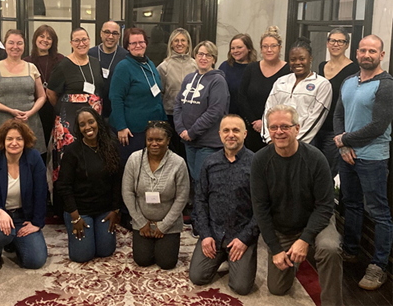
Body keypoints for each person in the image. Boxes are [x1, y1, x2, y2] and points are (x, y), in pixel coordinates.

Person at [251, 104, 342, 306]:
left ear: (297, 129)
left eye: (285, 126)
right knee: (277, 288)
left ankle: (333, 303)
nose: (279, 132)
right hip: (283, 226)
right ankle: (292, 257)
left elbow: (325, 205)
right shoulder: (260, 161)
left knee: (330, 248)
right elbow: (260, 208)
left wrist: (305, 239)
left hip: (316, 220)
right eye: (273, 127)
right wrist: (275, 249)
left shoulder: (316, 158)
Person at [334, 34, 393, 290]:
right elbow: (338, 113)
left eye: (373, 51)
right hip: (347, 155)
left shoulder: (387, 85)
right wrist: (344, 144)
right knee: (352, 204)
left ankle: (379, 265)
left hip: (373, 158)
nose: (367, 55)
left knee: (379, 212)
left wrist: (345, 138)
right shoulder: (348, 81)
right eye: (363, 50)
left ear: (381, 55)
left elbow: (378, 126)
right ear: (357, 53)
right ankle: (350, 250)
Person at [189, 115, 259, 295]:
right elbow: (200, 200)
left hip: (241, 235)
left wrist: (245, 239)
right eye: (226, 130)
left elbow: (263, 208)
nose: (231, 135)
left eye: (236, 130)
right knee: (198, 277)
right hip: (214, 234)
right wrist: (205, 235)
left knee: (241, 287)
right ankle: (223, 256)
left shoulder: (256, 164)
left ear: (245, 134)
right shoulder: (209, 162)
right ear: (220, 134)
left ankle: (238, 258)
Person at [0, 119, 48, 271]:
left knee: (35, 261)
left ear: (25, 140)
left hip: (21, 216)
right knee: (1, 234)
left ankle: (12, 240)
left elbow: (41, 192)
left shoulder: (34, 158)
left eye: (19, 139)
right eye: (9, 139)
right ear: (3, 141)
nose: (14, 143)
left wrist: (36, 223)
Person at [47, 27, 104, 215]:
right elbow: (51, 93)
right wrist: (65, 116)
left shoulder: (95, 63)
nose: (81, 43)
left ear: (89, 40)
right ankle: (66, 208)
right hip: (69, 125)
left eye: (84, 39)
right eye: (76, 40)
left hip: (93, 122)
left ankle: (87, 203)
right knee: (68, 164)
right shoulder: (63, 65)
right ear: (71, 43)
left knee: (90, 161)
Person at [57, 107, 121, 263]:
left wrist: (115, 210)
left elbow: (117, 181)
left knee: (106, 251)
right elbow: (63, 186)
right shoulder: (72, 151)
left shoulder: (110, 146)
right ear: (78, 129)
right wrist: (74, 217)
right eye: (82, 124)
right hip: (80, 210)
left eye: (91, 122)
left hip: (104, 210)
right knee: (82, 256)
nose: (88, 127)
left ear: (98, 122)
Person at [122, 121, 189, 269]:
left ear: (168, 140)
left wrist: (164, 226)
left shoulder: (178, 163)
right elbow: (127, 192)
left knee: (167, 263)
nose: (154, 144)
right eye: (150, 140)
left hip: (169, 223)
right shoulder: (134, 159)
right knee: (142, 260)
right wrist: (141, 222)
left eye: (159, 140)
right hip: (142, 222)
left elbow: (182, 197)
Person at [174, 40, 229, 200]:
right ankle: (198, 215)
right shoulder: (189, 78)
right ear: (195, 56)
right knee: (194, 180)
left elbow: (215, 111)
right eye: (200, 54)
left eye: (208, 55)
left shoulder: (218, 81)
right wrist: (181, 130)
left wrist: (192, 132)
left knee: (203, 181)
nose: (203, 58)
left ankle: (205, 217)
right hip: (189, 141)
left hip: (208, 143)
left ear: (214, 58)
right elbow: (178, 104)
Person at [109, 27, 168, 165]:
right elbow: (116, 98)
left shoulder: (150, 63)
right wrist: (121, 127)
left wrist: (164, 122)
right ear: (127, 47)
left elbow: (157, 94)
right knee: (131, 169)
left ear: (146, 43)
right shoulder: (123, 67)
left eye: (141, 42)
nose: (138, 46)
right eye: (133, 43)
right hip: (131, 132)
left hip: (151, 129)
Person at [0, 29, 47, 154]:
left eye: (19, 43)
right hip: (3, 123)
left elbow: (42, 96)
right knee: (3, 161)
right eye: (11, 43)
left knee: (31, 162)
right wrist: (10, 110)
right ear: (5, 44)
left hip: (30, 122)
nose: (15, 47)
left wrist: (30, 113)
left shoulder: (31, 67)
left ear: (24, 45)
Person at [262, 37, 332, 144]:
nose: (297, 62)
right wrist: (269, 139)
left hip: (304, 143)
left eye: (302, 58)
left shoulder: (322, 84)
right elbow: (268, 110)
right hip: (276, 141)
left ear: (310, 59)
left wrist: (293, 143)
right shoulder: (281, 81)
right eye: (293, 59)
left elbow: (315, 119)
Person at [238, 26, 291, 152]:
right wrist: (253, 121)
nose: (269, 50)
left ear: (280, 47)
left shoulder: (289, 70)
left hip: (279, 130)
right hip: (252, 128)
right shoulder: (251, 69)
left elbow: (290, 100)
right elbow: (242, 96)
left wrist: (267, 124)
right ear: (261, 49)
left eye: (273, 46)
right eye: (265, 46)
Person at [315, 28, 359, 177]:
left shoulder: (354, 69)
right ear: (327, 43)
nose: (336, 44)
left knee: (327, 171)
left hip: (335, 128)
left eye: (341, 41)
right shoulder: (322, 66)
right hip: (316, 125)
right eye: (333, 40)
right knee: (313, 168)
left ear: (347, 45)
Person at [156, 27, 197, 156]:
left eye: (183, 40)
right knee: (173, 152)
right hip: (171, 115)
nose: (180, 44)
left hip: (192, 116)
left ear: (188, 43)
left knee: (189, 152)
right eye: (176, 41)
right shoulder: (164, 66)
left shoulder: (196, 65)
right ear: (171, 44)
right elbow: (159, 92)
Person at [23, 25, 65, 146]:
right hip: (33, 110)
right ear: (35, 38)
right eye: (41, 36)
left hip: (54, 108)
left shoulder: (60, 60)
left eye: (49, 38)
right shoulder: (26, 61)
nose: (45, 40)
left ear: (53, 42)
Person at [88, 21, 128, 118]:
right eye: (107, 32)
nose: (110, 36)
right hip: (92, 109)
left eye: (115, 33)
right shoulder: (90, 54)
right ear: (101, 34)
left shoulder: (126, 56)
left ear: (119, 36)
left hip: (117, 110)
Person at [218, 34, 257, 115]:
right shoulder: (224, 66)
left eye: (239, 47)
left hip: (249, 117)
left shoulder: (256, 68)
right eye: (232, 48)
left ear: (249, 48)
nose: (235, 51)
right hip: (227, 115)